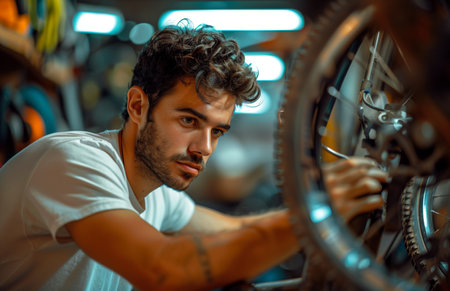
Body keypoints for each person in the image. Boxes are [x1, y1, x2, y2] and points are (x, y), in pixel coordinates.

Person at [0, 25, 388, 291]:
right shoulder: (74, 162)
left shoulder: (157, 195)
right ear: (137, 105)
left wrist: (342, 216)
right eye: (189, 120)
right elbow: (162, 268)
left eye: (217, 131)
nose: (204, 147)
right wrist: (314, 211)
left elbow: (234, 233)